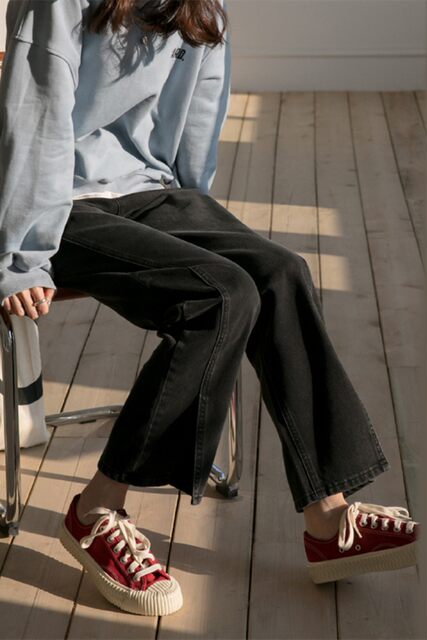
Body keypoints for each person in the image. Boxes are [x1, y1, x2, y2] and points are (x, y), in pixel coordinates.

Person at [0, 0, 418, 618]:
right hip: (57, 205)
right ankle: (95, 509)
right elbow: (33, 112)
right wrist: (19, 256)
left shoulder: (199, 5)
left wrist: (196, 221)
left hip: (146, 190)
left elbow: (198, 109)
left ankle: (328, 518)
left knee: (280, 273)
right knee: (220, 295)